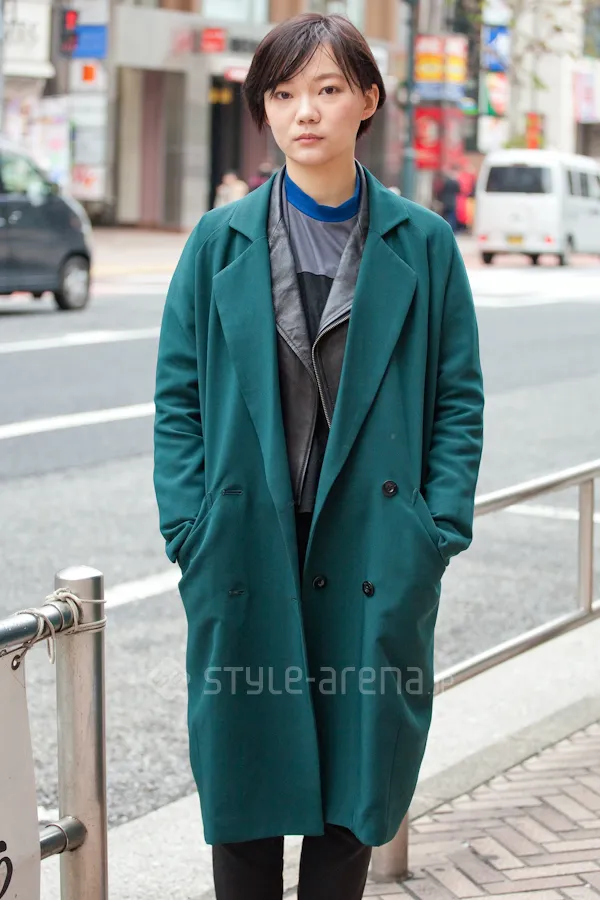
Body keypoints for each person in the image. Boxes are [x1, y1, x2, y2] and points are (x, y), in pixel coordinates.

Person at [153, 12, 484, 900]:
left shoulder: (423, 244)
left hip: (375, 546)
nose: (306, 111)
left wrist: (435, 530)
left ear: (367, 100)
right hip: (244, 548)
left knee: (355, 786)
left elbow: (458, 399)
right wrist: (190, 527)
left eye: (328, 89)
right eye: (285, 93)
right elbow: (178, 399)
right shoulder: (218, 241)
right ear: (264, 109)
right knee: (245, 782)